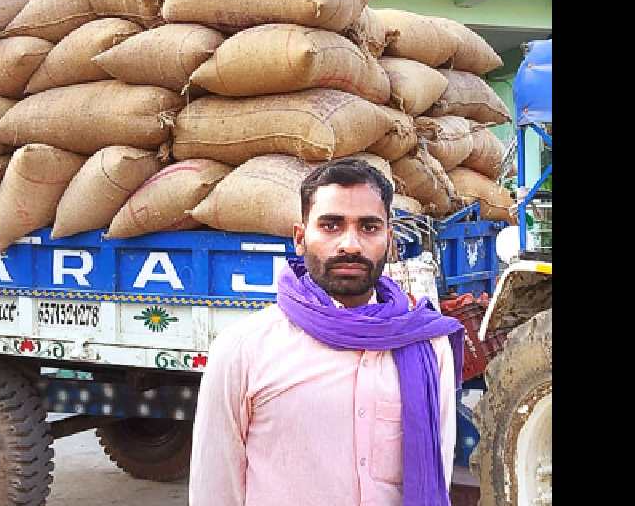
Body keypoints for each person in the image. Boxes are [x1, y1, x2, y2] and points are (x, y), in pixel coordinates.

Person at [189, 157, 464, 506]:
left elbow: (437, 470)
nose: (350, 244)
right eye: (331, 226)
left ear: (390, 240)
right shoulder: (244, 349)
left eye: (368, 227)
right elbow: (215, 488)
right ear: (300, 238)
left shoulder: (427, 344)